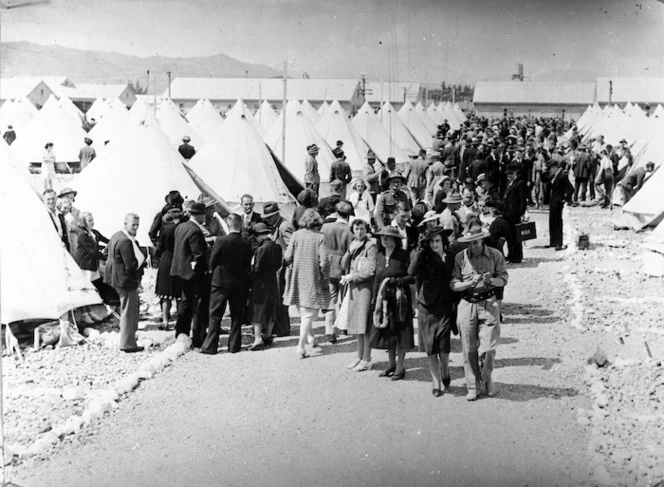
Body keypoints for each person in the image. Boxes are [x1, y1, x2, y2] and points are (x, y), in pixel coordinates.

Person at [450, 221, 508, 400]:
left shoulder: (495, 255)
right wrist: (468, 283)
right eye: (469, 243)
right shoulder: (460, 257)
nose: (472, 246)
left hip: (489, 303)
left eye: (475, 242)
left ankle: (486, 377)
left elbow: (504, 278)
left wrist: (492, 281)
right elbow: (453, 284)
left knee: (488, 348)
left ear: (482, 240)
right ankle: (473, 386)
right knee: (468, 349)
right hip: (467, 304)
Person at [408, 227, 456, 397]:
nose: (435, 244)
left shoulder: (451, 256)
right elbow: (411, 272)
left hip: (445, 305)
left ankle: (445, 368)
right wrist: (421, 250)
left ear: (443, 241)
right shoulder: (423, 256)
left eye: (438, 241)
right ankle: (436, 382)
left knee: (443, 345)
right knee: (430, 346)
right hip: (426, 306)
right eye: (431, 241)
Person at [283, 209, 334, 359]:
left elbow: (287, 256)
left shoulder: (296, 235)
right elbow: (324, 261)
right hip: (312, 277)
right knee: (309, 313)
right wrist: (326, 274)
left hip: (297, 276)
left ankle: (311, 338)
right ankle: (300, 346)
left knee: (303, 310)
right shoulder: (320, 237)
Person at [201, 214, 253, 354]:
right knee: (237, 315)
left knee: (215, 314)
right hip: (239, 283)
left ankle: (210, 346)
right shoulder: (246, 243)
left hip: (221, 282)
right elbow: (247, 264)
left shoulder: (221, 240)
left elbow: (212, 261)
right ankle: (234, 345)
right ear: (240, 225)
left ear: (228, 225)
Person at [370, 226, 415, 380]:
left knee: (401, 332)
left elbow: (412, 277)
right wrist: (374, 299)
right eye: (382, 237)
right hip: (384, 301)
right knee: (388, 332)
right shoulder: (380, 255)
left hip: (400, 299)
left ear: (395, 240)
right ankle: (391, 364)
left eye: (388, 237)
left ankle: (401, 366)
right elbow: (377, 279)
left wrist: (397, 281)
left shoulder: (404, 255)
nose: (384, 239)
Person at [105, 213, 147, 353]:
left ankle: (129, 340)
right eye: (133, 225)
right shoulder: (126, 241)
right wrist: (143, 257)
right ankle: (128, 344)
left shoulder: (116, 235)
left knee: (127, 309)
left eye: (137, 225)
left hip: (116, 278)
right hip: (125, 280)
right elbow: (131, 265)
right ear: (125, 224)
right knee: (128, 312)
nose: (135, 228)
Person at [340, 219, 377, 371]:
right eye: (356, 229)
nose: (359, 232)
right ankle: (359, 355)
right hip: (354, 288)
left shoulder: (371, 245)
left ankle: (367, 358)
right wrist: (349, 251)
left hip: (365, 288)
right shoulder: (353, 243)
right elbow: (343, 265)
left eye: (362, 229)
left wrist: (352, 277)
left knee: (364, 325)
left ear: (366, 229)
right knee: (356, 323)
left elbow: (370, 270)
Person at [170, 202, 209, 348]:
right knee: (198, 304)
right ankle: (199, 338)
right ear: (199, 215)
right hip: (194, 274)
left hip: (180, 271)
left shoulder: (181, 226)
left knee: (185, 303)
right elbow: (198, 255)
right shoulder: (196, 231)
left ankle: (181, 333)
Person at [320, 202, 353, 343]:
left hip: (328, 266)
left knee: (331, 299)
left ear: (336, 212)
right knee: (345, 298)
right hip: (343, 267)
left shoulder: (325, 227)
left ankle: (329, 330)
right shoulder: (350, 230)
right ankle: (345, 326)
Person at [247, 223, 283, 350]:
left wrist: (250, 277)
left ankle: (258, 338)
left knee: (257, 309)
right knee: (270, 308)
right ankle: (268, 335)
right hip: (272, 280)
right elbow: (279, 264)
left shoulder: (260, 250)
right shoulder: (277, 247)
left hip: (260, 283)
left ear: (257, 235)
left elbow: (256, 268)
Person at [262, 201, 295, 337]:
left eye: (270, 217)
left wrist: (284, 263)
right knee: (278, 297)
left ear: (276, 215)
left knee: (281, 298)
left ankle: (283, 328)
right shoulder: (278, 225)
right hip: (280, 266)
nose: (268, 220)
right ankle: (280, 327)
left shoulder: (284, 226)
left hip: (284, 267)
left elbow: (291, 247)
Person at [70, 212, 105, 324]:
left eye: (92, 219)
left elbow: (105, 241)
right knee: (85, 289)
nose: (92, 222)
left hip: (91, 264)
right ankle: (85, 314)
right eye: (89, 220)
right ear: (84, 222)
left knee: (90, 288)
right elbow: (91, 251)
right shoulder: (83, 235)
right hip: (85, 265)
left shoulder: (94, 233)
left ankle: (90, 312)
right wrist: (105, 256)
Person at [154, 206, 183, 330]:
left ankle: (165, 321)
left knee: (165, 294)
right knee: (179, 295)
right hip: (179, 261)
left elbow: (159, 247)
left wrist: (158, 255)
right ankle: (180, 322)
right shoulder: (182, 229)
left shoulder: (164, 229)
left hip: (166, 261)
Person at [503, 164, 528, 264]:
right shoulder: (508, 184)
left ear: (515, 173)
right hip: (508, 213)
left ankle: (517, 256)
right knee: (510, 236)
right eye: (508, 174)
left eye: (511, 174)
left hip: (515, 213)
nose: (509, 176)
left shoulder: (520, 183)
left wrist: (521, 213)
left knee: (516, 236)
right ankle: (511, 255)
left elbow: (522, 200)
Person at [548, 160, 574, 251]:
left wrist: (565, 199)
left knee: (558, 222)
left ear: (555, 167)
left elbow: (571, 189)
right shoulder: (554, 176)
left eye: (550, 169)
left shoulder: (563, 176)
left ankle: (559, 242)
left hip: (558, 201)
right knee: (552, 221)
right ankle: (553, 242)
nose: (550, 171)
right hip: (553, 201)